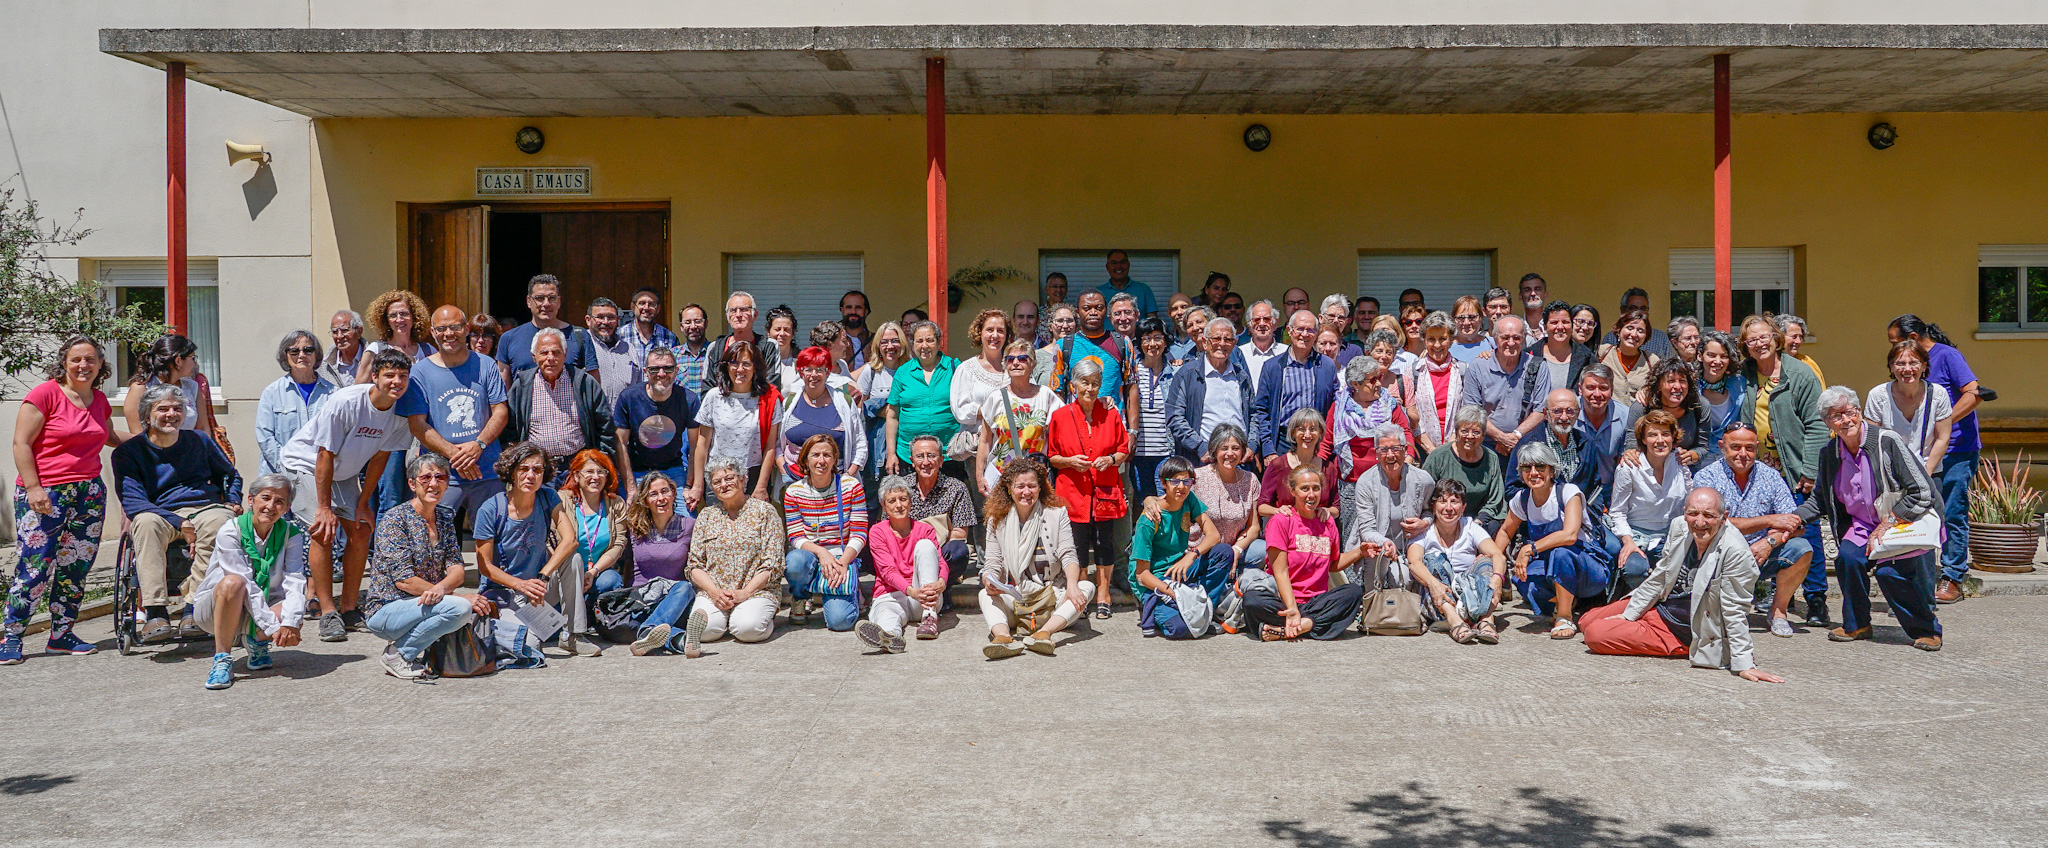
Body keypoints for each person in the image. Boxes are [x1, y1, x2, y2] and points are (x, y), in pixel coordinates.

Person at [279, 347, 416, 642]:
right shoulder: (346, 402)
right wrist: (325, 507)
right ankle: (328, 613)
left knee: (361, 529)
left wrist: (364, 502)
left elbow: (380, 457)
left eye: (402, 376)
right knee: (323, 530)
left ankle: (350, 608)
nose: (396, 382)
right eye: (389, 375)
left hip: (343, 472)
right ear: (375, 376)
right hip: (306, 464)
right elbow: (324, 454)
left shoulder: (401, 412)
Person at [1581, 488, 1785, 682]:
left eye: (1709, 515)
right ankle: (1635, 623)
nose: (1700, 522)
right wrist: (1630, 615)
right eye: (1693, 513)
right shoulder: (1680, 527)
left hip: (1680, 631)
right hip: (1660, 606)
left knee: (1595, 633)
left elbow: (1735, 609)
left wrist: (1743, 663)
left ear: (1724, 518)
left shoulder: (1736, 553)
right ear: (1685, 513)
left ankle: (1688, 648)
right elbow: (1660, 576)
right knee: (1586, 621)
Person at [1795, 387, 1944, 651]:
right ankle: (1858, 624)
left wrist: (1890, 521)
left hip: (1901, 522)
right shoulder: (1830, 453)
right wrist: (1793, 519)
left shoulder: (1887, 441)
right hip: (1863, 525)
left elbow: (1922, 490)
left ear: (1859, 412)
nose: (1845, 420)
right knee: (1848, 559)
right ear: (1827, 423)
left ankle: (1926, 629)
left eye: (1850, 412)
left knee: (1889, 573)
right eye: (1836, 416)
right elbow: (1820, 499)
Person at [4, 337, 124, 664]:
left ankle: (61, 634)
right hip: (46, 493)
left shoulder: (98, 399)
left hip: (89, 493)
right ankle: (11, 635)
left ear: (101, 364)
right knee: (36, 566)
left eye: (90, 360)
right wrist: (33, 488)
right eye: (76, 360)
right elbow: (21, 443)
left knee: (76, 566)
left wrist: (157, 438)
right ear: (64, 362)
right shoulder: (45, 395)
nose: (83, 366)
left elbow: (110, 437)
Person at [114, 383, 242, 643]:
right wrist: (180, 521)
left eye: (177, 408)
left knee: (221, 521)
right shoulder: (129, 453)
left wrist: (232, 500)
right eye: (162, 409)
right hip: (159, 511)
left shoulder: (199, 441)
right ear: (147, 415)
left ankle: (195, 609)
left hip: (203, 507)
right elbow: (133, 502)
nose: (171, 414)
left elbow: (230, 475)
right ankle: (155, 612)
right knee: (144, 524)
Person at [361, 453, 490, 681]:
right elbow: (405, 581)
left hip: (422, 603)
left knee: (466, 607)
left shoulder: (443, 517)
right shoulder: (395, 520)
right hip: (387, 609)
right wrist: (449, 595)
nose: (433, 483)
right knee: (459, 609)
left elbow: (457, 569)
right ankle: (399, 654)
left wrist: (444, 591)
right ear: (412, 484)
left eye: (440, 477)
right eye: (426, 478)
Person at [1738, 314, 1828, 616]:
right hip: (1758, 471)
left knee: (1805, 531)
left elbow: (1817, 424)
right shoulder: (1745, 375)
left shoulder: (1800, 373)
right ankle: (1779, 596)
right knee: (1769, 531)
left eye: (1764, 336)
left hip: (1794, 469)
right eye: (1752, 340)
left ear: (1776, 339)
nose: (1759, 343)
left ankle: (1816, 599)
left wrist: (1810, 469)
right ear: (1746, 347)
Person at [1887, 314, 1981, 605]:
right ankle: (1917, 575)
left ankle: (1953, 576)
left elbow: (1973, 393)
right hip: (1922, 452)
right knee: (1920, 510)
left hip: (1955, 450)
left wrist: (1944, 422)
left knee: (1951, 511)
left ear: (1913, 337)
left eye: (1895, 340)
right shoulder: (1909, 365)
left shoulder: (1947, 356)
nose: (1894, 347)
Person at [1694, 424, 1818, 632]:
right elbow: (1709, 524)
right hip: (1719, 556)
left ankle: (1778, 612)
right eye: (1735, 447)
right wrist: (1769, 520)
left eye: (1749, 448)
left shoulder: (1771, 477)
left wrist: (1770, 542)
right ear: (1722, 446)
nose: (1743, 454)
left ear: (1757, 447)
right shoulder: (1707, 477)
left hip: (1761, 554)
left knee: (1801, 548)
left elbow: (1794, 524)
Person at [398, 305, 510, 528]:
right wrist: (454, 455)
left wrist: (478, 445)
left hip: (485, 469)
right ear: (432, 332)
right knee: (435, 538)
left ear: (466, 329)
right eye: (441, 329)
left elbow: (500, 411)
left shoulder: (486, 365)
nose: (448, 334)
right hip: (439, 474)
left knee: (491, 540)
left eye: (455, 327)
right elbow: (417, 424)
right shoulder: (420, 372)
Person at [193, 474, 306, 689]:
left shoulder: (291, 533)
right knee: (233, 583)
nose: (271, 506)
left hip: (260, 606)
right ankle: (222, 659)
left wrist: (290, 622)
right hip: (218, 608)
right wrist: (274, 627)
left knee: (295, 606)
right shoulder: (230, 530)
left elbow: (295, 579)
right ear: (251, 500)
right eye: (265, 498)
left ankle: (257, 643)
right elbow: (245, 583)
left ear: (287, 507)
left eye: (279, 501)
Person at [1495, 441, 1612, 638]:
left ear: (1551, 470)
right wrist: (1493, 563)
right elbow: (1505, 532)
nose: (1533, 472)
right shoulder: (1522, 499)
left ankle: (1565, 617)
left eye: (1540, 466)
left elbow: (1570, 535)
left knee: (1560, 553)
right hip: (1551, 566)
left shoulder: (1568, 492)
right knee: (1523, 579)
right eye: (1526, 467)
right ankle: (1565, 600)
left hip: (1588, 569)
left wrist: (1528, 549)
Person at [978, 459, 1093, 658]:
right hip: (1016, 599)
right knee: (983, 594)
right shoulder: (998, 520)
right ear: (1009, 488)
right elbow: (992, 563)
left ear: (1040, 487)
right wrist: (989, 580)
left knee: (1086, 587)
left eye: (1032, 486)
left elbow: (1068, 553)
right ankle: (1003, 638)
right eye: (1020, 486)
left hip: (1051, 597)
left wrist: (1072, 585)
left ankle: (1044, 633)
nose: (1026, 492)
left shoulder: (1057, 515)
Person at [472, 443, 584, 645]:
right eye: (523, 469)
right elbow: (485, 566)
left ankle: (573, 635)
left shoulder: (547, 497)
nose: (530, 476)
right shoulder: (491, 509)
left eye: (537, 470)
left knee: (573, 559)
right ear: (512, 472)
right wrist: (521, 585)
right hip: (505, 593)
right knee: (531, 644)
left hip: (538, 589)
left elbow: (570, 540)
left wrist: (542, 577)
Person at [1047, 358, 1130, 619]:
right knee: (1077, 544)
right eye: (1085, 382)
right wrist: (1070, 462)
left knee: (1105, 542)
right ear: (1073, 386)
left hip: (1105, 489)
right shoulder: (1060, 416)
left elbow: (1123, 449)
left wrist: (1111, 459)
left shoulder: (1111, 414)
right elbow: (1051, 456)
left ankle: (1103, 592)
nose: (1090, 388)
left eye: (1095, 383)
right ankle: (1083, 590)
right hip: (1073, 490)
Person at [1247, 465, 1369, 641]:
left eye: (1316, 488)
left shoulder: (1327, 522)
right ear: (1293, 491)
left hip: (1316, 602)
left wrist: (1360, 552)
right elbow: (1280, 571)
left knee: (1353, 593)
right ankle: (1312, 623)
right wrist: (1291, 610)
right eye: (1304, 489)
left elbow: (1333, 565)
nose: (1311, 495)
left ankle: (1289, 629)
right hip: (1283, 599)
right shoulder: (1281, 520)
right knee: (1252, 601)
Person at [681, 455, 785, 652]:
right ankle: (725, 619)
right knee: (705, 632)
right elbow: (694, 565)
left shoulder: (765, 512)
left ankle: (752, 617)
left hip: (757, 591)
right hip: (716, 592)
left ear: (742, 479)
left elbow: (773, 564)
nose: (724, 484)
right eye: (717, 482)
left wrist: (745, 593)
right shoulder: (706, 516)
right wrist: (714, 592)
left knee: (748, 630)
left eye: (729, 478)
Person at [1129, 457, 1231, 639]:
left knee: (1223, 552)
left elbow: (1214, 535)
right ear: (1163, 483)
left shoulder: (1188, 499)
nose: (1181, 486)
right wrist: (1174, 595)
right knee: (1179, 629)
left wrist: (1192, 555)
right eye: (1174, 481)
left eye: (1186, 481)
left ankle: (1206, 609)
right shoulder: (1149, 520)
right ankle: (1152, 605)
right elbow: (1141, 574)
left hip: (1177, 570)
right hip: (1153, 579)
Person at [781, 435, 868, 632]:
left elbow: (859, 533)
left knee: (840, 622)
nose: (821, 461)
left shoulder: (851, 486)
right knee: (794, 562)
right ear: (805, 460)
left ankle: (854, 593)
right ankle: (801, 598)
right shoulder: (794, 492)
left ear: (835, 459)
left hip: (842, 555)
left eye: (827, 455)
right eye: (815, 455)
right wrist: (822, 553)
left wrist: (843, 562)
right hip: (811, 555)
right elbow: (795, 537)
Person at [505, 328, 614, 482]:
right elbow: (509, 431)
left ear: (565, 353)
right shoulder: (522, 387)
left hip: (578, 469)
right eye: (544, 353)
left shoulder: (584, 382)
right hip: (537, 471)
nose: (550, 358)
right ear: (534, 356)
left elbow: (605, 427)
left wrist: (600, 463)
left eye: (556, 352)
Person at [1407, 479, 1506, 644]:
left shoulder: (1469, 526)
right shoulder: (1425, 531)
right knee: (1432, 560)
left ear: (1463, 507)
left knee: (1487, 561)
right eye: (1442, 501)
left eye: (1454, 502)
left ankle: (1487, 619)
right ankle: (1454, 621)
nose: (1448, 508)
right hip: (1438, 600)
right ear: (1433, 506)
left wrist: (1497, 579)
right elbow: (1414, 563)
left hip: (1469, 595)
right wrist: (1433, 584)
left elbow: (1498, 554)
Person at [1607, 411, 1693, 601]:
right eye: (1653, 435)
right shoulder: (1629, 467)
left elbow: (1689, 504)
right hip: (1635, 535)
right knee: (1635, 569)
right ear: (1643, 439)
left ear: (1673, 437)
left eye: (1665, 434)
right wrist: (1627, 542)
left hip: (1669, 537)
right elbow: (1617, 512)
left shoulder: (1680, 463)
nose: (1660, 440)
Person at [856, 475, 946, 651]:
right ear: (883, 505)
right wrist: (910, 592)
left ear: (910, 502)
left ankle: (929, 619)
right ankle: (890, 638)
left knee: (926, 546)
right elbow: (887, 571)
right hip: (892, 595)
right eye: (892, 501)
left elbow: (941, 562)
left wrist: (942, 580)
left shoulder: (925, 529)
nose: (899, 505)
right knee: (887, 616)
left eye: (903, 499)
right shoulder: (877, 531)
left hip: (924, 597)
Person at [616, 471, 701, 657]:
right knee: (658, 624)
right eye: (653, 494)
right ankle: (682, 640)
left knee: (685, 587)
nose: (660, 498)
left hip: (676, 601)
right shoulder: (634, 528)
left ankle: (647, 632)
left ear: (673, 494)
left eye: (665, 491)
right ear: (645, 500)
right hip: (643, 601)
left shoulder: (690, 526)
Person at [692, 337, 779, 504]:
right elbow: (702, 445)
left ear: (755, 368)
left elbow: (770, 447)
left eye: (746, 364)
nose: (740, 369)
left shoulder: (769, 400)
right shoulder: (713, 397)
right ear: (726, 367)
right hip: (718, 477)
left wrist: (761, 486)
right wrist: (697, 485)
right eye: (734, 363)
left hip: (753, 477)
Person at [613, 346, 700, 505]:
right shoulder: (629, 398)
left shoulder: (689, 400)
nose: (661, 374)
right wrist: (631, 489)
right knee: (636, 524)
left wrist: (690, 485)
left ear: (676, 370)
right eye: (655, 369)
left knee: (687, 521)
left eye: (667, 368)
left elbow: (696, 447)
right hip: (638, 472)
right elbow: (621, 445)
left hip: (673, 471)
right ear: (645, 372)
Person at [976, 339, 1065, 494]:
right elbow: (985, 440)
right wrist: (979, 476)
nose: (1015, 363)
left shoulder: (1046, 395)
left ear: (1033, 365)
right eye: (1010, 359)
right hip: (1001, 478)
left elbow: (1066, 425)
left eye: (1022, 359)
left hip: (1035, 480)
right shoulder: (996, 398)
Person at [1252, 310, 1338, 464]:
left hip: (1316, 443)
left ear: (1317, 333)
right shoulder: (1273, 367)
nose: (1304, 334)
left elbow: (1335, 407)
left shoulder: (1327, 366)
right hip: (1283, 443)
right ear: (1289, 330)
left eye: (1310, 329)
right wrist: (1268, 449)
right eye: (1300, 329)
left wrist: (1325, 446)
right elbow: (1261, 410)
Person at [1164, 316, 1254, 463]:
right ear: (1205, 343)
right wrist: (1200, 447)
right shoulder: (1187, 374)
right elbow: (1174, 416)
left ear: (1234, 344)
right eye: (1216, 339)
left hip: (1239, 461)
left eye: (1228, 340)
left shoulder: (1241, 376)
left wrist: (1251, 446)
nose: (1222, 344)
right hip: (1202, 459)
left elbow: (1253, 414)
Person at [776, 346, 866, 485]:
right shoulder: (789, 402)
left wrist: (849, 476)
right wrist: (784, 471)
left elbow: (860, 443)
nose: (813, 374)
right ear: (800, 373)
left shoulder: (844, 402)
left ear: (828, 372)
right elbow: (776, 444)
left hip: (837, 483)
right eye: (808, 369)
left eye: (819, 369)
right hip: (795, 483)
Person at [904, 434, 977, 603]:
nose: (926, 462)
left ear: (942, 460)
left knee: (959, 551)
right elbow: (888, 527)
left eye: (931, 456)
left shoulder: (956, 488)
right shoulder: (901, 487)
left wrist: (929, 548)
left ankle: (941, 590)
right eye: (920, 456)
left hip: (940, 553)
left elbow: (960, 533)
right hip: (906, 553)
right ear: (912, 461)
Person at [1865, 341, 1954, 475]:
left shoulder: (1938, 394)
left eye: (1913, 363)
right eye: (1900, 364)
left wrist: (1926, 473)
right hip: (1890, 475)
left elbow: (1943, 438)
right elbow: (1872, 440)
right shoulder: (1877, 395)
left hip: (1929, 472)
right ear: (1891, 367)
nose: (1907, 369)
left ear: (1924, 366)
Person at [255, 330, 335, 478]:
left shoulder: (332, 394)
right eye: (294, 351)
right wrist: (287, 467)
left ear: (316, 355)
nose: (302, 355)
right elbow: (265, 437)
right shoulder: (271, 393)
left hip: (318, 476)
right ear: (286, 356)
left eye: (308, 350)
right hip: (279, 476)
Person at [883, 321, 958, 476]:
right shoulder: (903, 372)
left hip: (948, 455)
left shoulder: (955, 368)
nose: (924, 346)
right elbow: (892, 415)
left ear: (939, 342)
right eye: (919, 341)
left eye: (930, 340)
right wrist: (891, 454)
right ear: (912, 345)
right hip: (909, 456)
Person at [560, 449, 629, 611]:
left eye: (601, 472)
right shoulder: (562, 500)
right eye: (589, 472)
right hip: (565, 572)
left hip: (597, 573)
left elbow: (618, 544)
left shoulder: (616, 503)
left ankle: (596, 618)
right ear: (577, 476)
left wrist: (593, 571)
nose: (596, 477)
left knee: (611, 580)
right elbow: (552, 542)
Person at [1191, 425, 1266, 574]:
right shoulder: (1197, 477)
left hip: (1233, 546)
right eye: (1224, 448)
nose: (1230, 454)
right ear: (1214, 450)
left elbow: (1254, 527)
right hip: (1200, 549)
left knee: (1263, 550)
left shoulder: (1250, 480)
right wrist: (1149, 501)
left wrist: (1236, 550)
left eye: (1235, 448)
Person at [1422, 406, 1507, 533]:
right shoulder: (1439, 457)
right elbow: (1424, 493)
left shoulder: (1491, 458)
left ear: (1484, 435)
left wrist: (1477, 523)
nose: (1470, 436)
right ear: (1456, 432)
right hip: (1444, 518)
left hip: (1479, 521)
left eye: (1476, 432)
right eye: (1464, 431)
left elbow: (1495, 500)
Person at [1464, 315, 1541, 458]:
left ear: (1524, 338)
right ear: (1495, 338)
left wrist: (1514, 437)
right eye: (1505, 337)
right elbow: (1472, 410)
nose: (1511, 343)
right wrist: (1501, 438)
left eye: (1516, 338)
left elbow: (1541, 410)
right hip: (1484, 446)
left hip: (1526, 447)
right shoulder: (1478, 367)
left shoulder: (1538, 366)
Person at [1509, 389, 1601, 506]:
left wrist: (1589, 513)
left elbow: (1597, 488)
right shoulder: (1528, 444)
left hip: (1582, 517)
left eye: (1570, 411)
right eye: (1557, 411)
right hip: (1541, 519)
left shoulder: (1588, 443)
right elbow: (1512, 490)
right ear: (1546, 414)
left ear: (1578, 414)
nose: (1564, 417)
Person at [951, 309, 1013, 470]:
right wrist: (995, 410)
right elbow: (960, 410)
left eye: (1000, 331)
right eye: (989, 330)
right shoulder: (967, 369)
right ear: (980, 333)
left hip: (1011, 448)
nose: (995, 335)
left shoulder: (1015, 366)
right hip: (977, 451)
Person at [498, 275, 595, 376]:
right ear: (529, 301)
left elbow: (592, 386)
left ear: (559, 301)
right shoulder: (509, 338)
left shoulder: (580, 336)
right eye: (539, 298)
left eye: (552, 298)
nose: (546, 304)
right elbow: (505, 387)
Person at [1126, 316, 1179, 502]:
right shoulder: (1131, 373)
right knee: (1144, 503)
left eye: (1157, 337)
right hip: (1138, 454)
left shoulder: (1176, 374)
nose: (1152, 344)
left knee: (1167, 501)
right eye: (1146, 338)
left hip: (1166, 452)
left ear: (1166, 341)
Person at [1051, 290, 1132, 407]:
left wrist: (1133, 426)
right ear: (1078, 312)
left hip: (1113, 419)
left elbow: (1131, 386)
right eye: (1087, 308)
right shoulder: (1064, 345)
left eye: (1099, 308)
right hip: (1077, 421)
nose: (1093, 312)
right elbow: (1056, 391)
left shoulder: (1122, 342)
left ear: (1106, 311)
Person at [122, 334, 213, 437]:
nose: (195, 364)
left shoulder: (192, 387)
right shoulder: (141, 388)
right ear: (178, 361)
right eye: (193, 358)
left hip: (189, 451)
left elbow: (203, 429)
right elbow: (138, 434)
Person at [1403, 311, 1467, 456]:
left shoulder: (1463, 371)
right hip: (1423, 451)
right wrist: (1432, 450)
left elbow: (1466, 413)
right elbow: (1410, 417)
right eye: (1431, 339)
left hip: (1456, 450)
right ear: (1424, 340)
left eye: (1442, 339)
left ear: (1451, 340)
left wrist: (1449, 449)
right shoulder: (1412, 372)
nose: (1437, 345)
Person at [1260, 409, 1338, 520]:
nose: (1307, 434)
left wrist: (1326, 511)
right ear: (1293, 433)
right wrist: (1278, 511)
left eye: (1313, 429)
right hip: (1286, 527)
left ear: (1320, 433)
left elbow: (1336, 508)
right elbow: (1262, 506)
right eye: (1301, 429)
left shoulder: (1329, 468)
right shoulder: (1278, 465)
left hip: (1318, 531)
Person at [854, 321, 907, 484]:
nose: (890, 346)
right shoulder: (870, 371)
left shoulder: (911, 370)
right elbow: (859, 408)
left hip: (905, 441)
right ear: (878, 346)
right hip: (876, 445)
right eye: (884, 342)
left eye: (894, 341)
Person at [1625, 359, 1704, 469]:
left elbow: (1703, 447)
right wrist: (1631, 454)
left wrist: (1690, 456)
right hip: (1648, 469)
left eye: (1682, 381)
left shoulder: (1699, 405)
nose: (1677, 386)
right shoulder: (1642, 407)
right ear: (1659, 385)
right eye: (1671, 381)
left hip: (1686, 470)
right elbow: (1632, 442)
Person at [356, 289, 435, 384]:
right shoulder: (376, 350)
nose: (399, 320)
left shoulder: (428, 351)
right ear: (386, 321)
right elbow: (358, 389)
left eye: (404, 314)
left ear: (414, 317)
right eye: (393, 315)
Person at [1576, 364, 1636, 489]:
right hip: (1573, 488)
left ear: (1612, 390)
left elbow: (1627, 460)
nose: (1597, 394)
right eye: (1591, 388)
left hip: (1609, 489)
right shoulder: (1567, 412)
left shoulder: (1625, 416)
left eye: (1603, 388)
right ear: (1580, 389)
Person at [1696, 330, 1749, 455]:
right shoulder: (1689, 385)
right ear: (1700, 356)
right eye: (1712, 355)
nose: (1718, 361)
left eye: (1724, 356)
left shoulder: (1740, 385)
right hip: (1698, 455)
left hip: (1731, 454)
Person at [583, 297, 640, 406]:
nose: (606, 322)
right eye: (599, 317)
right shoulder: (581, 346)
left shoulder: (629, 349)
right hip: (592, 419)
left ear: (618, 320)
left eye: (611, 317)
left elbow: (638, 386)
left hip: (623, 418)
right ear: (588, 320)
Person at [711, 290, 782, 376]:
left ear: (755, 315)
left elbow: (772, 383)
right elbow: (708, 384)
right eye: (733, 310)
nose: (738, 315)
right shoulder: (715, 348)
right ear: (727, 317)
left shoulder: (769, 347)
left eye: (743, 310)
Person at [1597, 309, 1661, 402]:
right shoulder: (1602, 353)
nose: (1634, 334)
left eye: (1640, 331)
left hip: (1639, 415)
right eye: (1630, 328)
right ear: (1619, 330)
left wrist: (1648, 391)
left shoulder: (1652, 361)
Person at [1595, 289, 1675, 357]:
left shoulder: (1661, 339)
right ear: (1623, 310)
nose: (1639, 312)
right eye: (1633, 308)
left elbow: (1669, 369)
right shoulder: (1609, 339)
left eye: (1643, 308)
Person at [620, 286, 679, 365]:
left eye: (651, 304)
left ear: (658, 308)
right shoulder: (619, 336)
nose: (646, 308)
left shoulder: (669, 338)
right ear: (633, 307)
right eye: (642, 303)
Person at [1237, 300, 1285, 393]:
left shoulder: (1286, 352)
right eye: (1256, 320)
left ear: (1275, 323)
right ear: (1249, 325)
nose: (1262, 324)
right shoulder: (1239, 353)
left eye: (1267, 319)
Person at [1097, 249, 1158, 317]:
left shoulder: (1143, 290)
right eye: (1114, 263)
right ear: (1107, 267)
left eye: (1122, 262)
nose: (1118, 266)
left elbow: (1152, 320)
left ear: (1128, 265)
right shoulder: (1098, 293)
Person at [674, 302, 715, 396]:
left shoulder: (716, 354)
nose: (693, 326)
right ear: (681, 326)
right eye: (687, 322)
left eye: (697, 321)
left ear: (706, 323)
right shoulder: (673, 356)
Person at [1030, 304, 1078, 385]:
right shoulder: (1037, 357)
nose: (1065, 326)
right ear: (1050, 326)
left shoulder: (1081, 354)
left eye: (1069, 321)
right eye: (1060, 321)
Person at [1776, 314, 1825, 388]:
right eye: (1794, 337)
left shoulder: (1807, 363)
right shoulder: (1767, 362)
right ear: (1778, 336)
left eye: (1801, 337)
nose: (1798, 341)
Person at [322, 309, 366, 387]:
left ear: (359, 331)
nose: (339, 336)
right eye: (335, 331)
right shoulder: (325, 367)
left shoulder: (374, 360)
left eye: (344, 330)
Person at [469, 312, 512, 388]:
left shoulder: (502, 366)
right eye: (475, 335)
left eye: (486, 336)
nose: (481, 340)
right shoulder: (460, 364)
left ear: (494, 339)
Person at [1448, 296, 1493, 364]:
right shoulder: (1447, 347)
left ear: (1481, 318)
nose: (1466, 323)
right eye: (1461, 318)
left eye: (1472, 317)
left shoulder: (1493, 344)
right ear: (1454, 319)